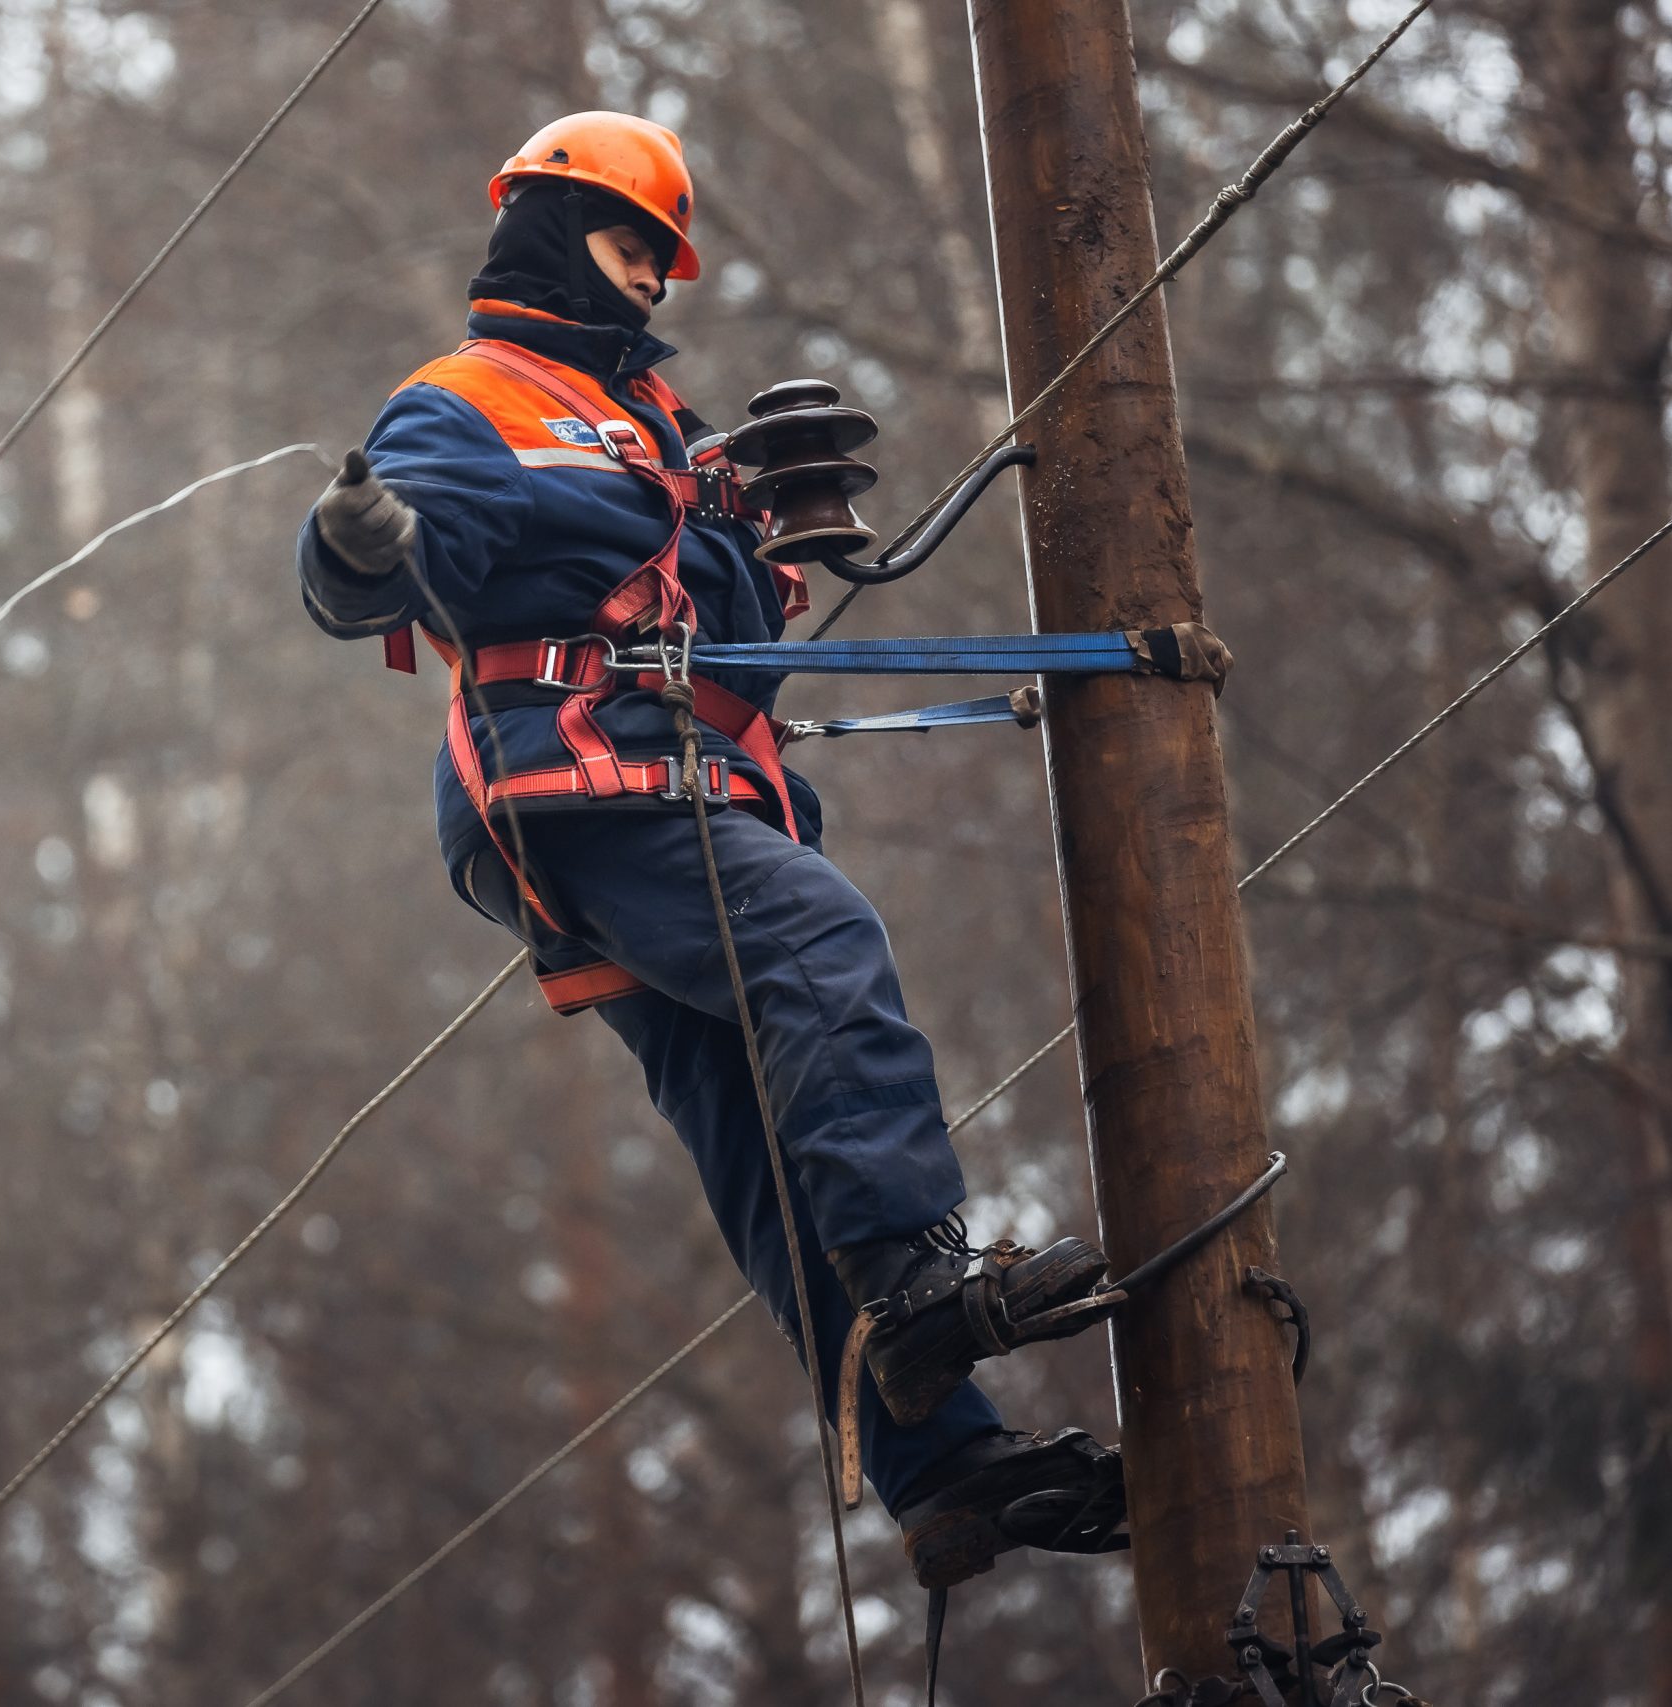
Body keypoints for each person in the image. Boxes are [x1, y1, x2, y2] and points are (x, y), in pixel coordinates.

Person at [295, 111, 1125, 1589]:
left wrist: (758, 529)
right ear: (553, 232)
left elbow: (726, 632)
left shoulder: (665, 433)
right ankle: (920, 1274)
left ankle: (949, 1476)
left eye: (665, 264)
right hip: (580, 784)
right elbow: (406, 561)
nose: (653, 287)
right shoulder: (474, 397)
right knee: (819, 943)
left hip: (664, 786)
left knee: (759, 1138)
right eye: (631, 250)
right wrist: (357, 549)